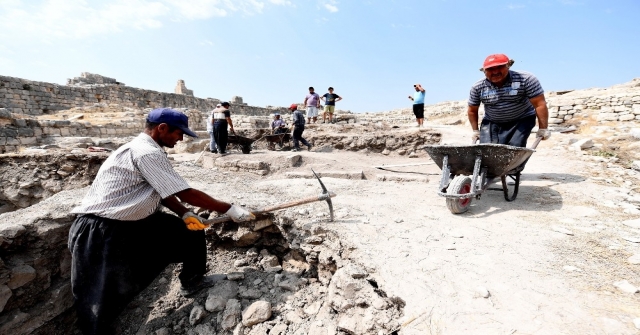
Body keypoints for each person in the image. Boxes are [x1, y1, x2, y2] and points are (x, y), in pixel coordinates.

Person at [68, 107, 254, 335]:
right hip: (101, 229)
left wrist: (184, 213)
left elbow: (163, 191)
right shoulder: (146, 153)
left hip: (130, 221)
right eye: (179, 133)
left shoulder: (147, 149)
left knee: (189, 231)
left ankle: (192, 281)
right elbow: (185, 192)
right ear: (162, 128)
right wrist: (230, 208)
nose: (181, 139)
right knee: (98, 296)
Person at [467, 54, 551, 148]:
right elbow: (472, 110)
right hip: (492, 121)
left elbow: (539, 104)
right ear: (484, 71)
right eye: (490, 69)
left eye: (499, 67)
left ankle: (514, 163)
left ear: (508, 65)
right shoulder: (478, 87)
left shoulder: (526, 79)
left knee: (515, 148)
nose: (495, 71)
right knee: (487, 148)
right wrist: (475, 131)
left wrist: (543, 128)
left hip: (522, 119)